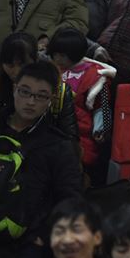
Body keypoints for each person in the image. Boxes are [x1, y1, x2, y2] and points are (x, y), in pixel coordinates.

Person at [0, 61, 82, 258]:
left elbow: (71, 200)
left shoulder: (59, 145)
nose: (30, 101)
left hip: (25, 242)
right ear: (14, 87)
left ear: (52, 99)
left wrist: (43, 234)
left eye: (40, 96)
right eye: (24, 92)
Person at [48, 27, 116, 187]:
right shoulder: (50, 70)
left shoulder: (95, 77)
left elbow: (100, 107)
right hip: (52, 130)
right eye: (55, 54)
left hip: (81, 134)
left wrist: (100, 129)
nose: (57, 58)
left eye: (62, 55)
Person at [0, 32, 79, 141]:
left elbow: (71, 139)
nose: (16, 71)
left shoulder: (60, 91)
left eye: (22, 64)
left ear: (36, 60)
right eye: (10, 65)